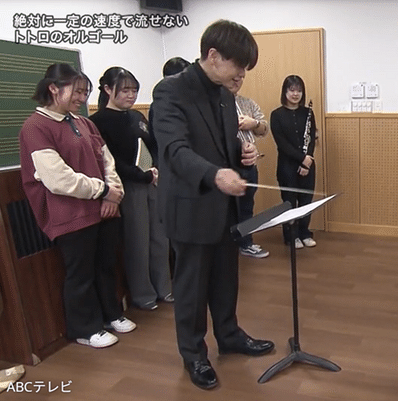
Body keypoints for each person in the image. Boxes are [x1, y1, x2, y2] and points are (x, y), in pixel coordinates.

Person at [151, 20, 274, 390]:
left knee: (225, 278)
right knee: (191, 287)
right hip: (189, 207)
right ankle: (193, 354)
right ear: (214, 55)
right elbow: (175, 150)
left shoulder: (223, 94)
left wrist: (242, 155)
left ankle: (229, 335)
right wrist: (216, 174)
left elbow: (223, 144)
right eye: (238, 65)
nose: (241, 75)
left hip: (223, 207)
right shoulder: (170, 91)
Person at [18, 63, 136, 349]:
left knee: (106, 265)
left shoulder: (83, 123)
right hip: (70, 214)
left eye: (85, 93)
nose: (82, 99)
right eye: (77, 92)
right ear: (53, 89)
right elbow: (58, 179)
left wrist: (113, 193)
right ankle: (85, 328)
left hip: (103, 207)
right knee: (80, 273)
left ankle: (111, 315)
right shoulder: (35, 127)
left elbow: (106, 160)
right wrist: (103, 191)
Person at [90, 67, 173, 311]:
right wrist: (141, 175)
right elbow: (111, 160)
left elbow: (153, 144)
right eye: (125, 90)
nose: (131, 95)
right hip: (129, 186)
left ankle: (165, 287)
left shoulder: (137, 116)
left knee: (160, 238)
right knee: (138, 242)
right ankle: (143, 294)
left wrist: (156, 169)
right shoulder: (98, 121)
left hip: (152, 181)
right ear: (108, 89)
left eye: (134, 90)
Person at [270, 75, 317, 249]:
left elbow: (311, 138)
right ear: (285, 92)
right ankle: (291, 236)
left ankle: (304, 233)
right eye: (292, 90)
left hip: (308, 165)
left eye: (299, 90)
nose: (295, 94)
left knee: (306, 201)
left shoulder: (308, 113)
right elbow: (282, 144)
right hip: (287, 166)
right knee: (289, 202)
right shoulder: (276, 115)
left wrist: (307, 160)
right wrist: (301, 159)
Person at [227, 69, 270, 258]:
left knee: (247, 206)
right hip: (228, 167)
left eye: (241, 78)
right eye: (234, 77)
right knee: (228, 209)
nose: (238, 81)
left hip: (249, 163)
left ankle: (246, 243)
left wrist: (254, 123)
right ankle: (230, 245)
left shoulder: (247, 102)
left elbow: (265, 129)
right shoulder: (215, 104)